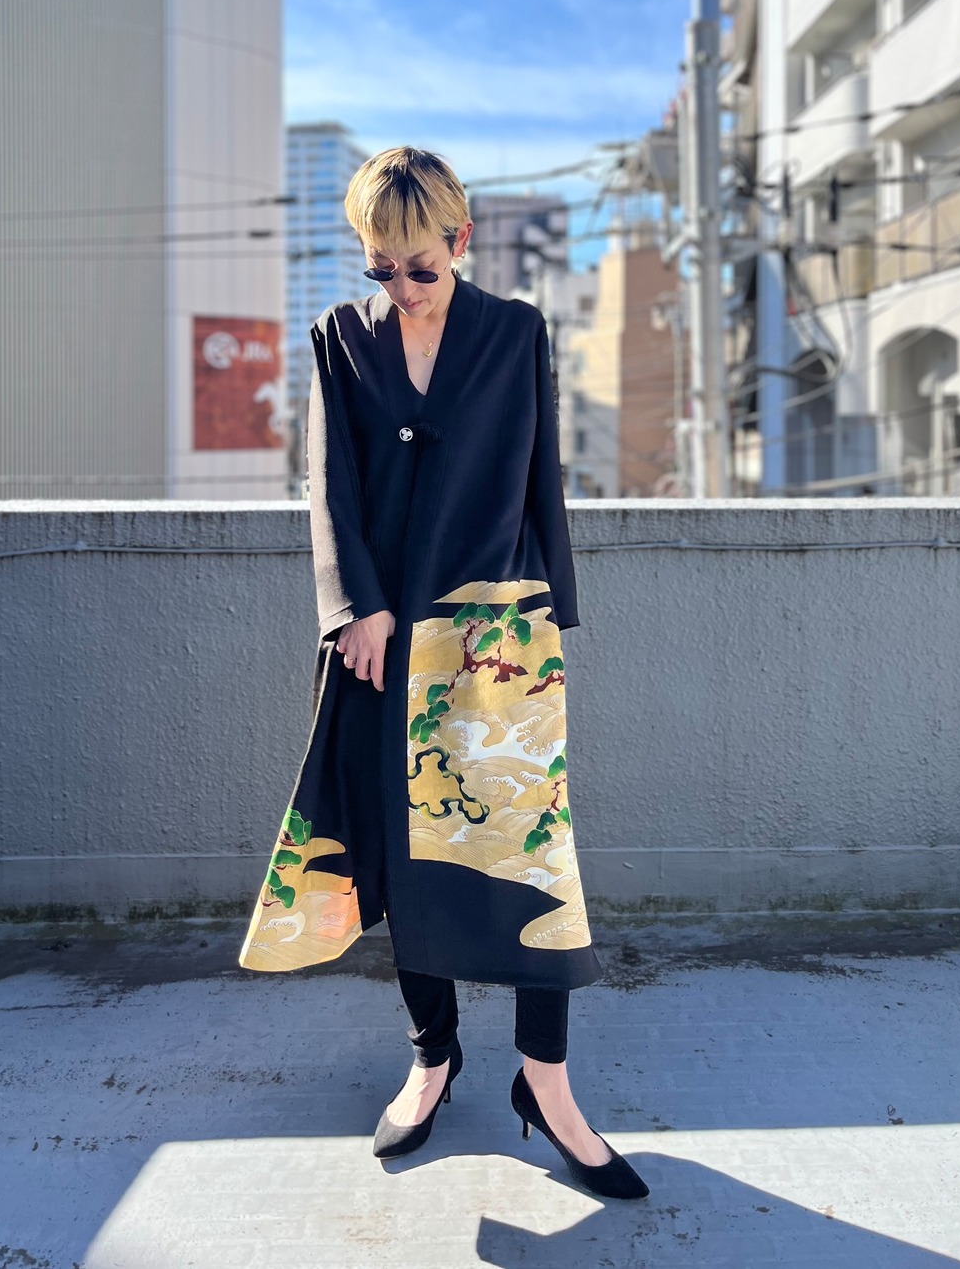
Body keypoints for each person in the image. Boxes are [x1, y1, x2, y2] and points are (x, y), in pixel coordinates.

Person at [239, 146, 646, 1201]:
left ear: (460, 242)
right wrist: (353, 609)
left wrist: (549, 615)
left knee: (532, 861)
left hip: (494, 632)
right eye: (380, 268)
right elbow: (329, 482)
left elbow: (539, 479)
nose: (401, 287)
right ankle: (432, 1058)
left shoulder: (515, 332)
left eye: (419, 266)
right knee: (402, 854)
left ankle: (546, 1084)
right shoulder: (339, 338)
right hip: (380, 637)